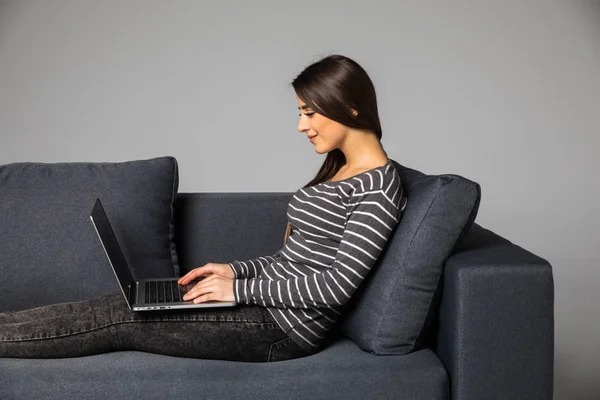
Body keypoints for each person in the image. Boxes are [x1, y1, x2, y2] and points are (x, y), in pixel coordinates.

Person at [0, 54, 407, 362]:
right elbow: (296, 260)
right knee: (120, 304)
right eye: (301, 112)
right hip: (260, 305)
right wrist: (235, 270)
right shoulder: (340, 169)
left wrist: (239, 289)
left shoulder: (379, 187)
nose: (302, 125)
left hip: (281, 330)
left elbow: (336, 286)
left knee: (118, 319)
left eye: (310, 112)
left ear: (350, 108)